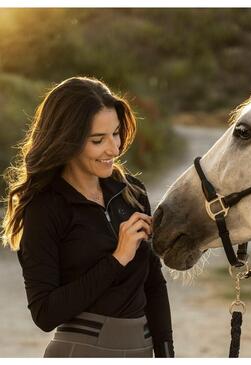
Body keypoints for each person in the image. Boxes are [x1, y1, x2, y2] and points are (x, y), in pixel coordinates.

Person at [1, 76, 174, 357]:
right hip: (82, 352)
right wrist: (117, 259)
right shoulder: (45, 207)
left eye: (116, 133)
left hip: (142, 350)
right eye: (98, 140)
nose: (114, 149)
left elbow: (154, 284)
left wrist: (167, 355)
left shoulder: (132, 193)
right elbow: (44, 313)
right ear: (67, 140)